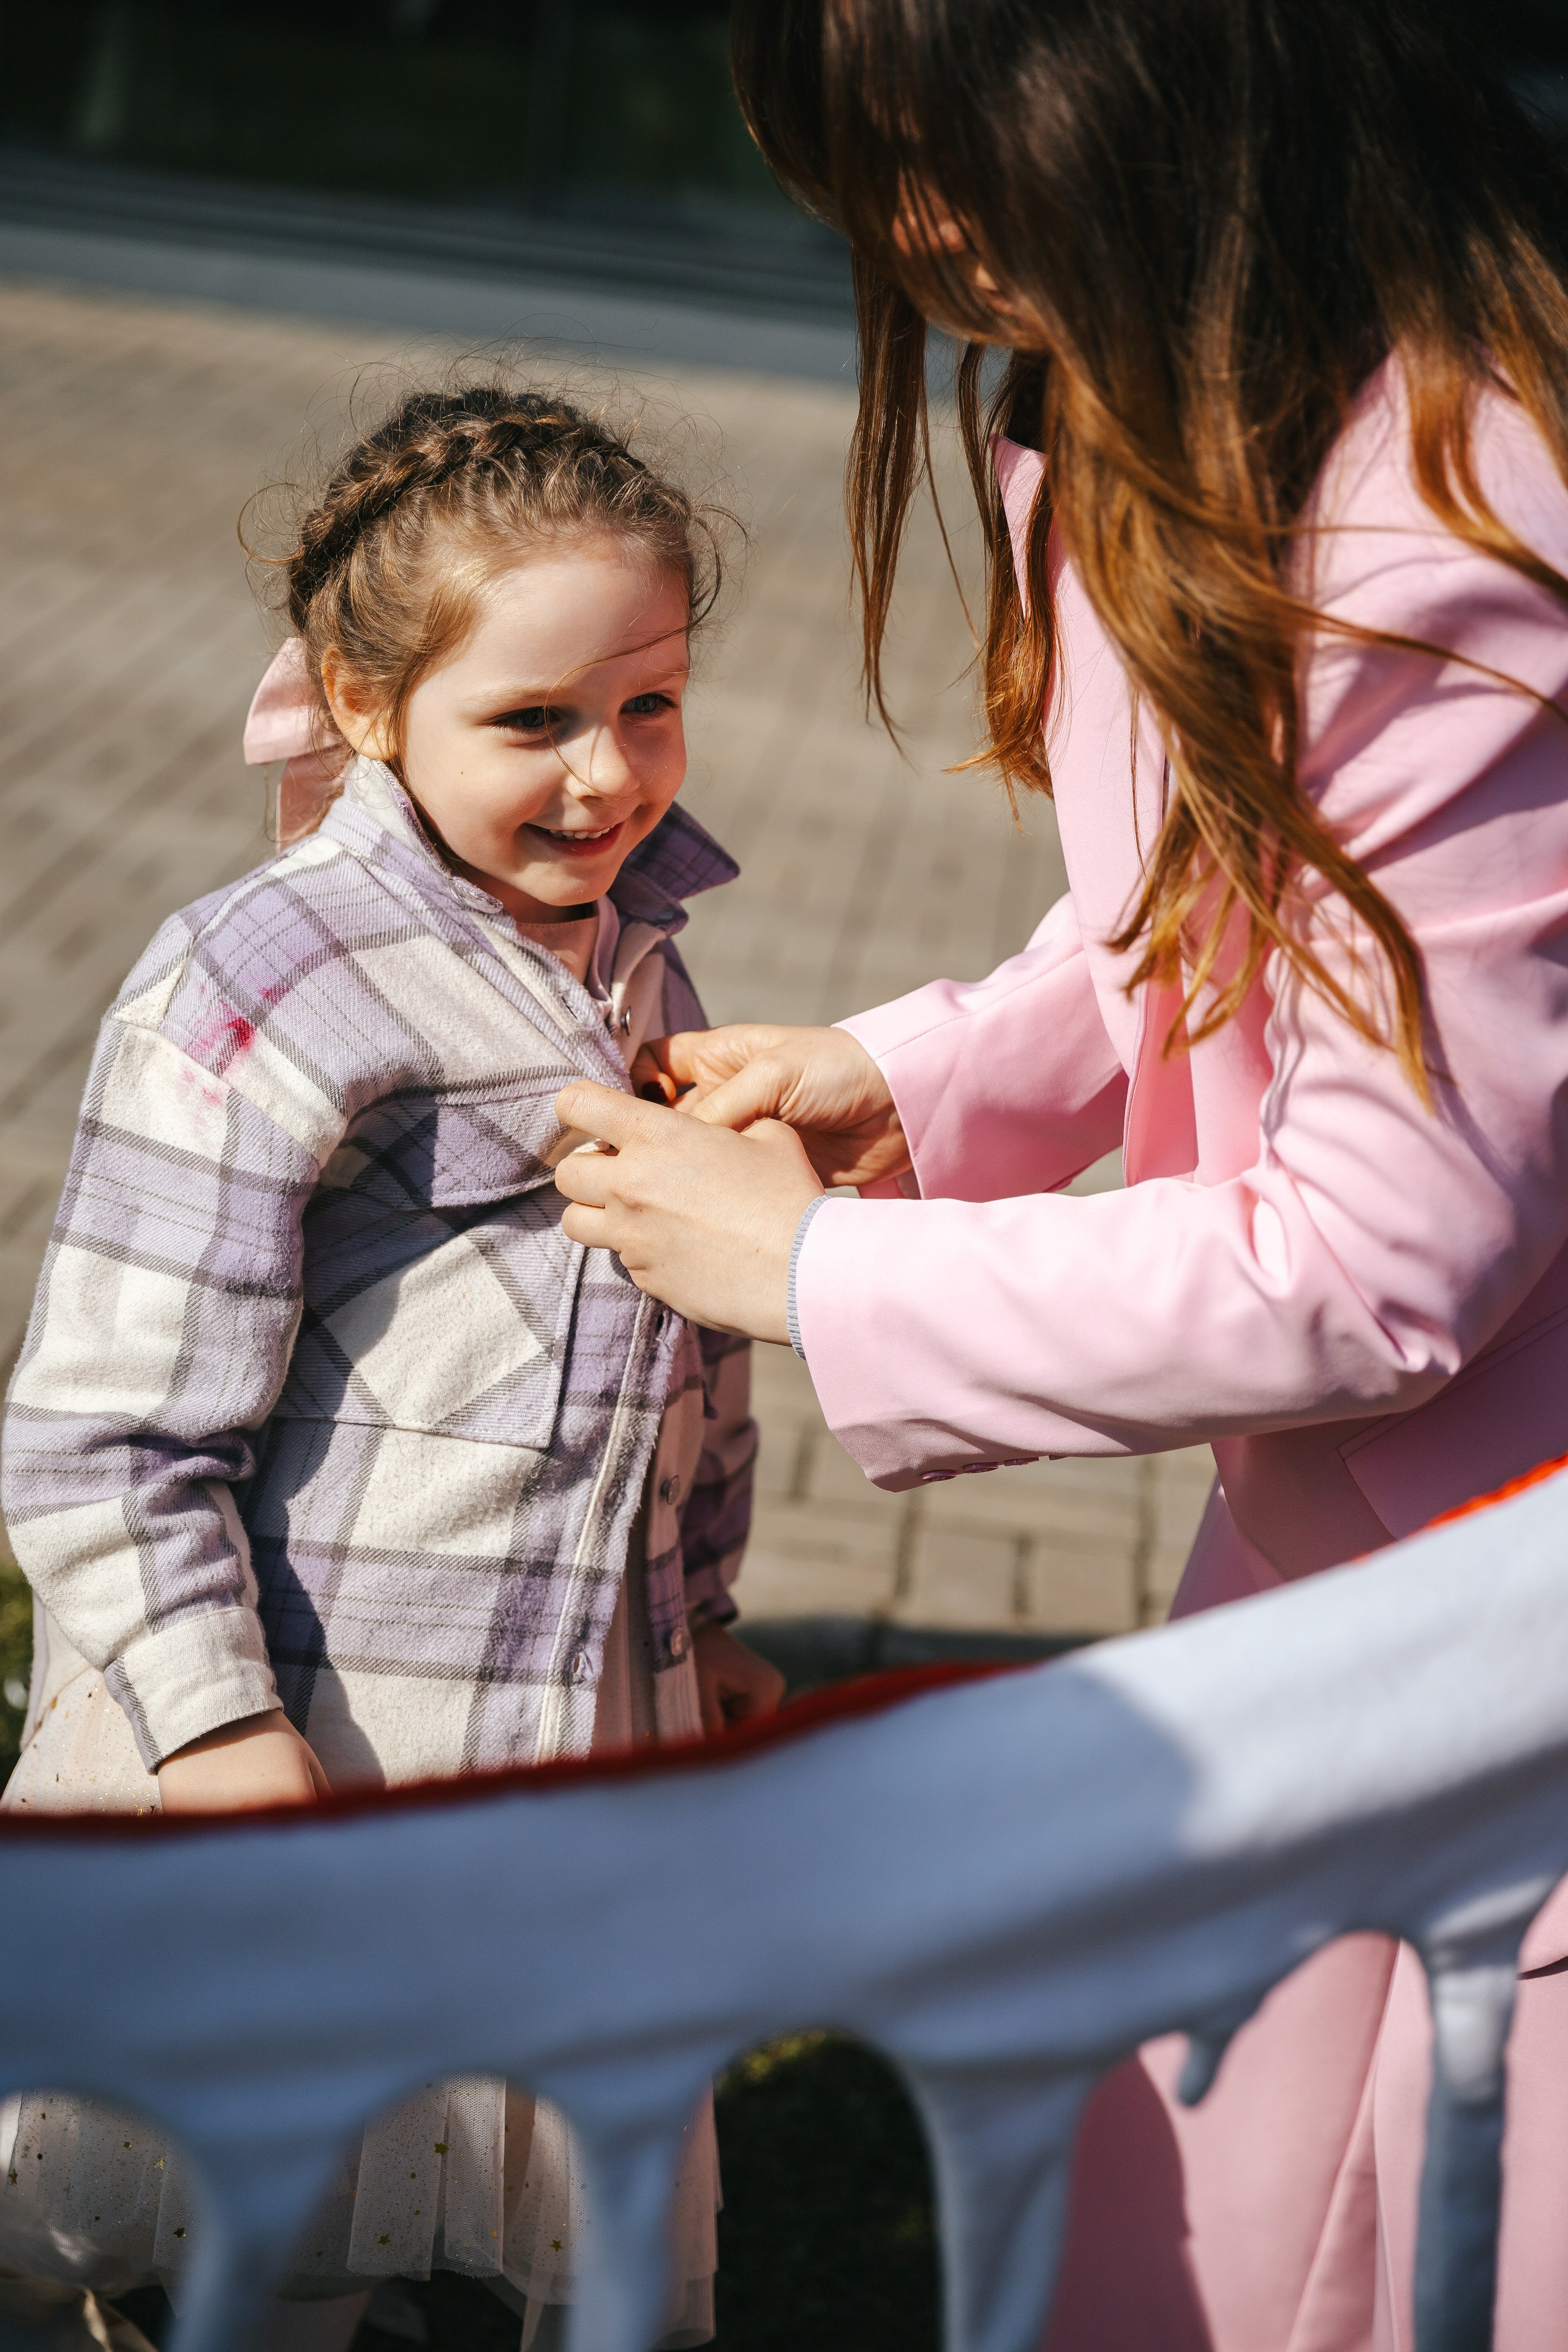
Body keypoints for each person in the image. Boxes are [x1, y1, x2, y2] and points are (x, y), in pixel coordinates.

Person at [547, 4, 1568, 2345]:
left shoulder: (1453, 512)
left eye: (936, 153)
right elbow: (1202, 922)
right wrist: (910, 1085)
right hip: (1348, 1575)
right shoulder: (1177, 392)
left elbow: (1390, 1250)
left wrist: (831, 1281)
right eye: (864, 176)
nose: (905, 232)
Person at [0, 382, 782, 2351]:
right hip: (326, 1743)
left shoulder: (635, 955)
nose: (609, 778)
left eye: (652, 703)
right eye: (531, 721)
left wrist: (700, 1620)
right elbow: (106, 1434)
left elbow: (676, 1350)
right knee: (268, 2244)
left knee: (510, 2223)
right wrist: (213, 1736)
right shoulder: (268, 978)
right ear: (365, 704)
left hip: (572, 1743)